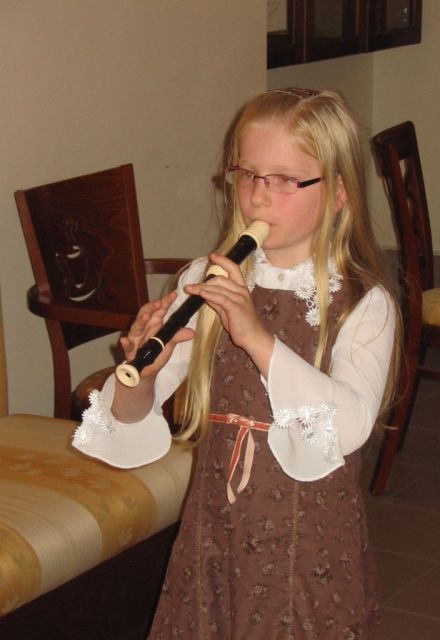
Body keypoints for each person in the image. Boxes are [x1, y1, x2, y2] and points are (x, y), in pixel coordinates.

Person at [73, 88, 400, 639]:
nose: (259, 196)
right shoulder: (206, 281)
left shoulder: (363, 302)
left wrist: (256, 337)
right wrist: (140, 376)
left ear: (339, 192)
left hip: (310, 536)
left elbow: (348, 427)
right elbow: (126, 420)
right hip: (216, 527)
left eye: (285, 179)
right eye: (248, 174)